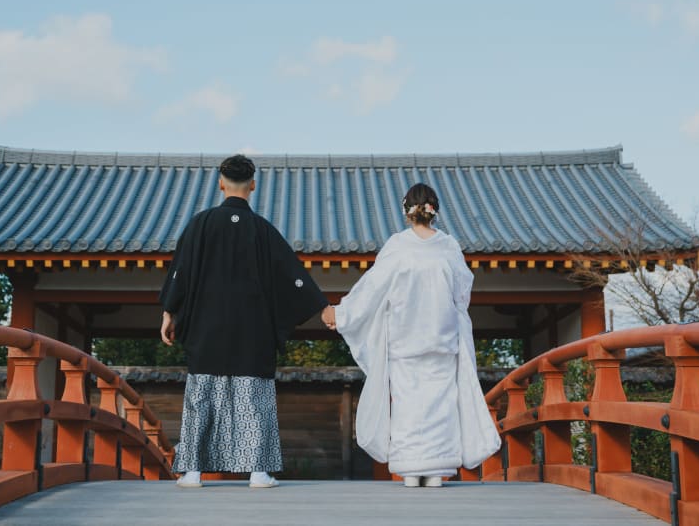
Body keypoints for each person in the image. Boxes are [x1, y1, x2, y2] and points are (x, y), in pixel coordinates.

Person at [160, 154, 329, 489]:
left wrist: (169, 311)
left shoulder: (201, 224)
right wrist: (322, 306)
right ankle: (258, 472)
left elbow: (181, 272)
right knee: (253, 396)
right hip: (253, 329)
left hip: (207, 327)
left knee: (202, 394)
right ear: (252, 185)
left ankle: (192, 471)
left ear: (221, 183)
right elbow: (291, 276)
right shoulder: (263, 230)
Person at [321, 183, 501, 487]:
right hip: (442, 339)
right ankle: (436, 470)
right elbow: (462, 294)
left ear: (407, 211)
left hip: (405, 338)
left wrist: (341, 313)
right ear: (434, 211)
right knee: (441, 404)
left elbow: (374, 287)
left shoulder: (398, 245)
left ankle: (410, 469)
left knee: (408, 405)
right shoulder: (449, 247)